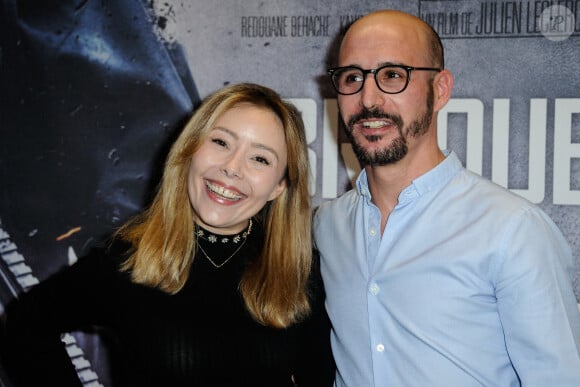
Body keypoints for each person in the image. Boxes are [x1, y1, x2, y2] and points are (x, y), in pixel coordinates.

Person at [1, 83, 334, 387]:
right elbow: (24, 326)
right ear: (190, 150)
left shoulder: (296, 269)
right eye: (220, 142)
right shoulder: (131, 256)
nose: (232, 167)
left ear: (280, 186)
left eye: (260, 158)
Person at [313, 9, 580, 387]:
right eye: (353, 77)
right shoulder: (327, 227)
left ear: (440, 90)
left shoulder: (512, 230)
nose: (368, 99)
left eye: (392, 75)